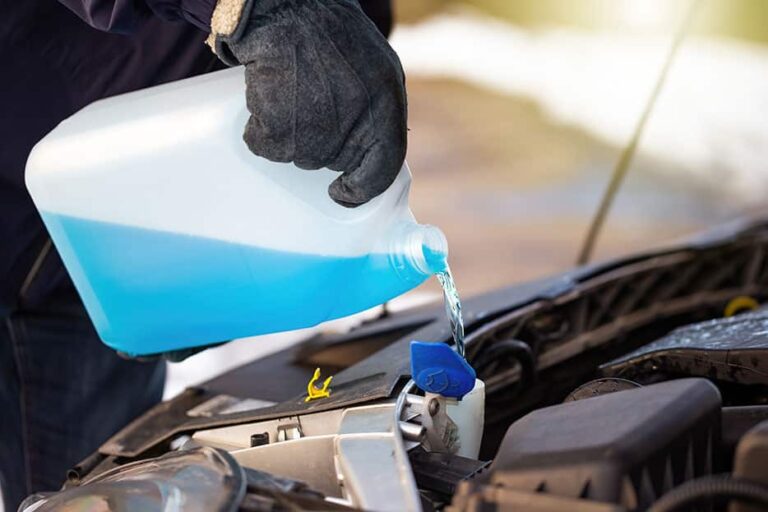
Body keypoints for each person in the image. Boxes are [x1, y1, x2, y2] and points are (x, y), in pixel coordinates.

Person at [0, 0, 407, 509]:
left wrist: (345, 46)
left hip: (121, 211)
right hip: (50, 151)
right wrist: (269, 10)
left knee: (102, 488)